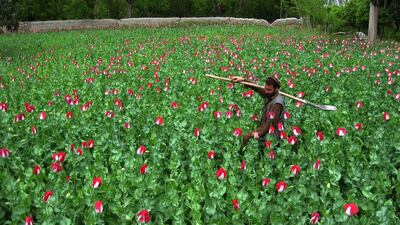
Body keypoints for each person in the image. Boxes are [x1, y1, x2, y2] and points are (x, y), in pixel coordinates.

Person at [232, 76, 285, 148]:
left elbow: (271, 124)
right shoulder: (269, 94)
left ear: (276, 89)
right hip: (264, 127)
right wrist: (244, 80)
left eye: (269, 89)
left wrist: (257, 134)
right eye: (265, 88)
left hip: (272, 135)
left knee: (248, 139)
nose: (266, 91)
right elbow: (258, 88)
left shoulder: (277, 104)